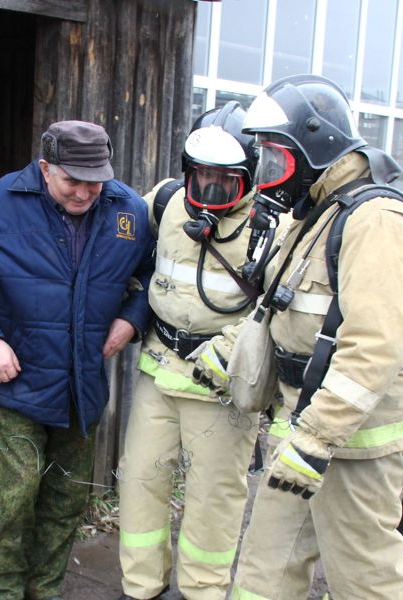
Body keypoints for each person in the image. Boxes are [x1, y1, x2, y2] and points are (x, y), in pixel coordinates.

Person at [195, 74, 403, 599]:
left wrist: (318, 438)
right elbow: (283, 308)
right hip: (298, 430)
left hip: (352, 444)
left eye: (277, 157)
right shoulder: (319, 213)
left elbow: (376, 344)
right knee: (265, 571)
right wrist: (229, 348)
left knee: (365, 575)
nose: (268, 174)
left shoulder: (377, 221)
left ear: (315, 145)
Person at [0, 121, 155, 600]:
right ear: (45, 168)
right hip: (15, 378)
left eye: (95, 180)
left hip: (83, 386)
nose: (85, 191)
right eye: (72, 180)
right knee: (14, 497)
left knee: (66, 499)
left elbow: (151, 272)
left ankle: (46, 589)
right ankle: (2, 592)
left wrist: (132, 317)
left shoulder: (127, 210)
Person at [115, 102, 260, 600]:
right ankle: (141, 588)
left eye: (226, 181)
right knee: (138, 482)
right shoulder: (167, 201)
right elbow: (122, 240)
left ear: (250, 178)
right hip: (158, 371)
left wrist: (233, 347)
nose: (210, 191)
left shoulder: (272, 228)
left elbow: (283, 310)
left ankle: (202, 591)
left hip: (220, 387)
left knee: (212, 500)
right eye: (201, 177)